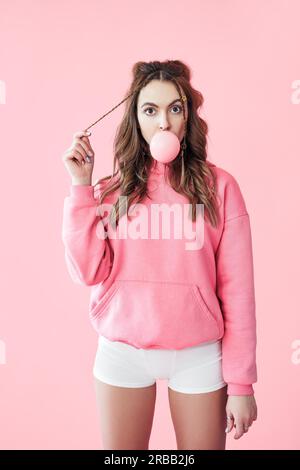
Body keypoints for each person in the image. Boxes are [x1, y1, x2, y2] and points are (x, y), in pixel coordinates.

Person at [61, 60, 258, 450]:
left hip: (199, 354)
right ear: (135, 118)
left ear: (188, 118)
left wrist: (241, 383)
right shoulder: (111, 191)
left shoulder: (220, 187)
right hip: (122, 352)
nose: (163, 122)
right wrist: (80, 188)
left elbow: (238, 292)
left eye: (175, 108)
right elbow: (85, 271)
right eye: (150, 110)